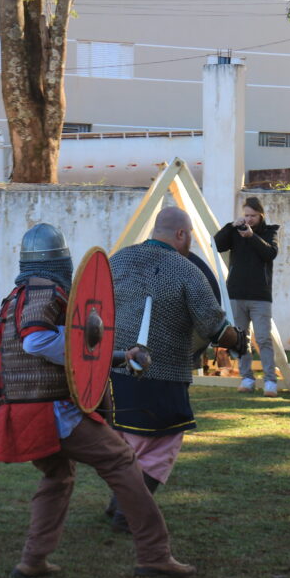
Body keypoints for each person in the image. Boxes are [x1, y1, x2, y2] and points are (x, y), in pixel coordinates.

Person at [0, 222, 196, 578]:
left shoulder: (16, 297)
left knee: (58, 476)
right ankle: (155, 555)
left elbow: (76, 350)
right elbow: (37, 341)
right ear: (62, 260)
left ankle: (33, 560)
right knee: (122, 461)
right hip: (49, 410)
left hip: (23, 409)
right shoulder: (44, 292)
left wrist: (120, 356)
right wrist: (82, 342)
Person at [107, 207, 250, 533]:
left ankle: (118, 502)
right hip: (162, 375)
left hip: (113, 373)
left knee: (126, 445)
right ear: (181, 234)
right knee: (161, 446)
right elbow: (213, 327)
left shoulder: (117, 261)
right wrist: (240, 340)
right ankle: (128, 513)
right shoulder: (186, 271)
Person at [213, 196, 280, 396]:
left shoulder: (270, 232)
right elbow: (216, 245)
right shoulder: (235, 231)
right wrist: (230, 226)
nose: (248, 220)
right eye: (246, 215)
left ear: (261, 215)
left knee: (263, 338)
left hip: (260, 295)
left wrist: (252, 236)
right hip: (236, 293)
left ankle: (270, 381)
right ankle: (247, 377)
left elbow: (270, 254)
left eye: (252, 216)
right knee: (241, 339)